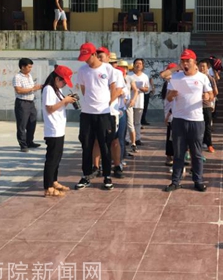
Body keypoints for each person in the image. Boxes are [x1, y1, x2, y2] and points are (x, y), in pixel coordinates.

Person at [161, 49, 213, 192]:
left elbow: (210, 94)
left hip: (196, 120)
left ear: (194, 62)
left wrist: (207, 97)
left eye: (188, 61)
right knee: (178, 153)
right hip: (178, 119)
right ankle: (175, 181)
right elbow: (168, 98)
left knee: (196, 153)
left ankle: (198, 180)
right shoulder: (176, 77)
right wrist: (171, 95)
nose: (185, 63)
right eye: (183, 60)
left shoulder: (202, 77)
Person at [74, 42, 123, 191]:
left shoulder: (108, 69)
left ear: (94, 54)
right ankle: (86, 175)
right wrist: (90, 103)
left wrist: (106, 103)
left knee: (105, 145)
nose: (86, 61)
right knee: (86, 145)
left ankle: (107, 176)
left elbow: (114, 89)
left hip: (104, 114)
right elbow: (83, 89)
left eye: (87, 57)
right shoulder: (82, 70)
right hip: (87, 114)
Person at [41, 65, 77, 197]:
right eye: (63, 81)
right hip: (53, 129)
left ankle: (54, 181)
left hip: (59, 128)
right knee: (52, 159)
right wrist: (64, 101)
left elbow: (58, 106)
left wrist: (66, 100)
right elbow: (50, 108)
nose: (64, 84)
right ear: (57, 79)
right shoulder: (48, 89)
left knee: (57, 158)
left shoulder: (56, 89)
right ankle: (48, 187)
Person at [12, 58, 42, 152]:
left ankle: (30, 141)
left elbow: (30, 88)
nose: (30, 69)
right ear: (22, 67)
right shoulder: (17, 77)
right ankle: (23, 145)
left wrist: (35, 88)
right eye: (29, 67)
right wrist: (33, 89)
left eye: (31, 67)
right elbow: (18, 90)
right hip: (22, 102)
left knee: (32, 122)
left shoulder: (29, 76)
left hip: (31, 102)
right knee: (22, 125)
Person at [128, 58, 150, 149]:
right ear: (133, 65)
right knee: (129, 122)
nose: (138, 65)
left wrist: (141, 88)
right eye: (136, 63)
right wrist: (133, 88)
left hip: (139, 101)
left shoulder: (145, 76)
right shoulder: (129, 75)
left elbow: (147, 88)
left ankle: (137, 138)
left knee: (137, 122)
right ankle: (127, 139)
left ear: (142, 65)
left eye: (140, 64)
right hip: (130, 101)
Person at [199, 59, 218, 153]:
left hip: (206, 105)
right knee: (197, 126)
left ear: (207, 68)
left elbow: (215, 92)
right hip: (196, 106)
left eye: (204, 66)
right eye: (200, 66)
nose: (202, 68)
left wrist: (212, 102)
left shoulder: (210, 78)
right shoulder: (195, 78)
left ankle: (209, 144)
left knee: (208, 125)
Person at [161, 63, 178, 166]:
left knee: (175, 136)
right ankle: (169, 155)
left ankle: (176, 155)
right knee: (171, 136)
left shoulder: (175, 81)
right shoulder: (168, 83)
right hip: (171, 113)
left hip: (175, 113)